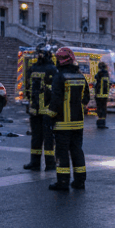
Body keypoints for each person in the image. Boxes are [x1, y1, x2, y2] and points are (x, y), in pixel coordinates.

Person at [46, 46, 89, 190]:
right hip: (78, 123)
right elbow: (86, 98)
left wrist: (49, 118)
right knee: (77, 151)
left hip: (62, 124)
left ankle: (63, 182)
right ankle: (80, 181)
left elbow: (56, 101)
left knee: (62, 153)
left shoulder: (59, 77)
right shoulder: (80, 77)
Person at [24, 47, 57, 171]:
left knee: (37, 138)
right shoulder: (53, 69)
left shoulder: (33, 68)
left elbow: (28, 87)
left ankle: (36, 162)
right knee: (47, 138)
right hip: (46, 110)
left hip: (36, 109)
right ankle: (49, 164)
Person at [93, 61, 111, 129]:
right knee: (104, 109)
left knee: (99, 109)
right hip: (105, 95)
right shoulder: (107, 74)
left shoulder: (99, 74)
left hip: (98, 95)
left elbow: (96, 83)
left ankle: (100, 123)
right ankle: (103, 123)